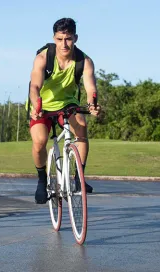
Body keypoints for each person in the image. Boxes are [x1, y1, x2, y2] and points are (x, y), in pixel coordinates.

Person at [28, 18, 101, 204]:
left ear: (75, 38)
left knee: (82, 126)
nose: (64, 44)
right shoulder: (43, 58)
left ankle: (78, 178)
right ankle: (42, 180)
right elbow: (35, 87)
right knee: (40, 141)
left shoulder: (84, 61)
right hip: (42, 106)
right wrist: (36, 106)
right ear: (54, 38)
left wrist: (92, 103)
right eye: (60, 39)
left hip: (68, 105)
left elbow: (90, 88)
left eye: (68, 39)